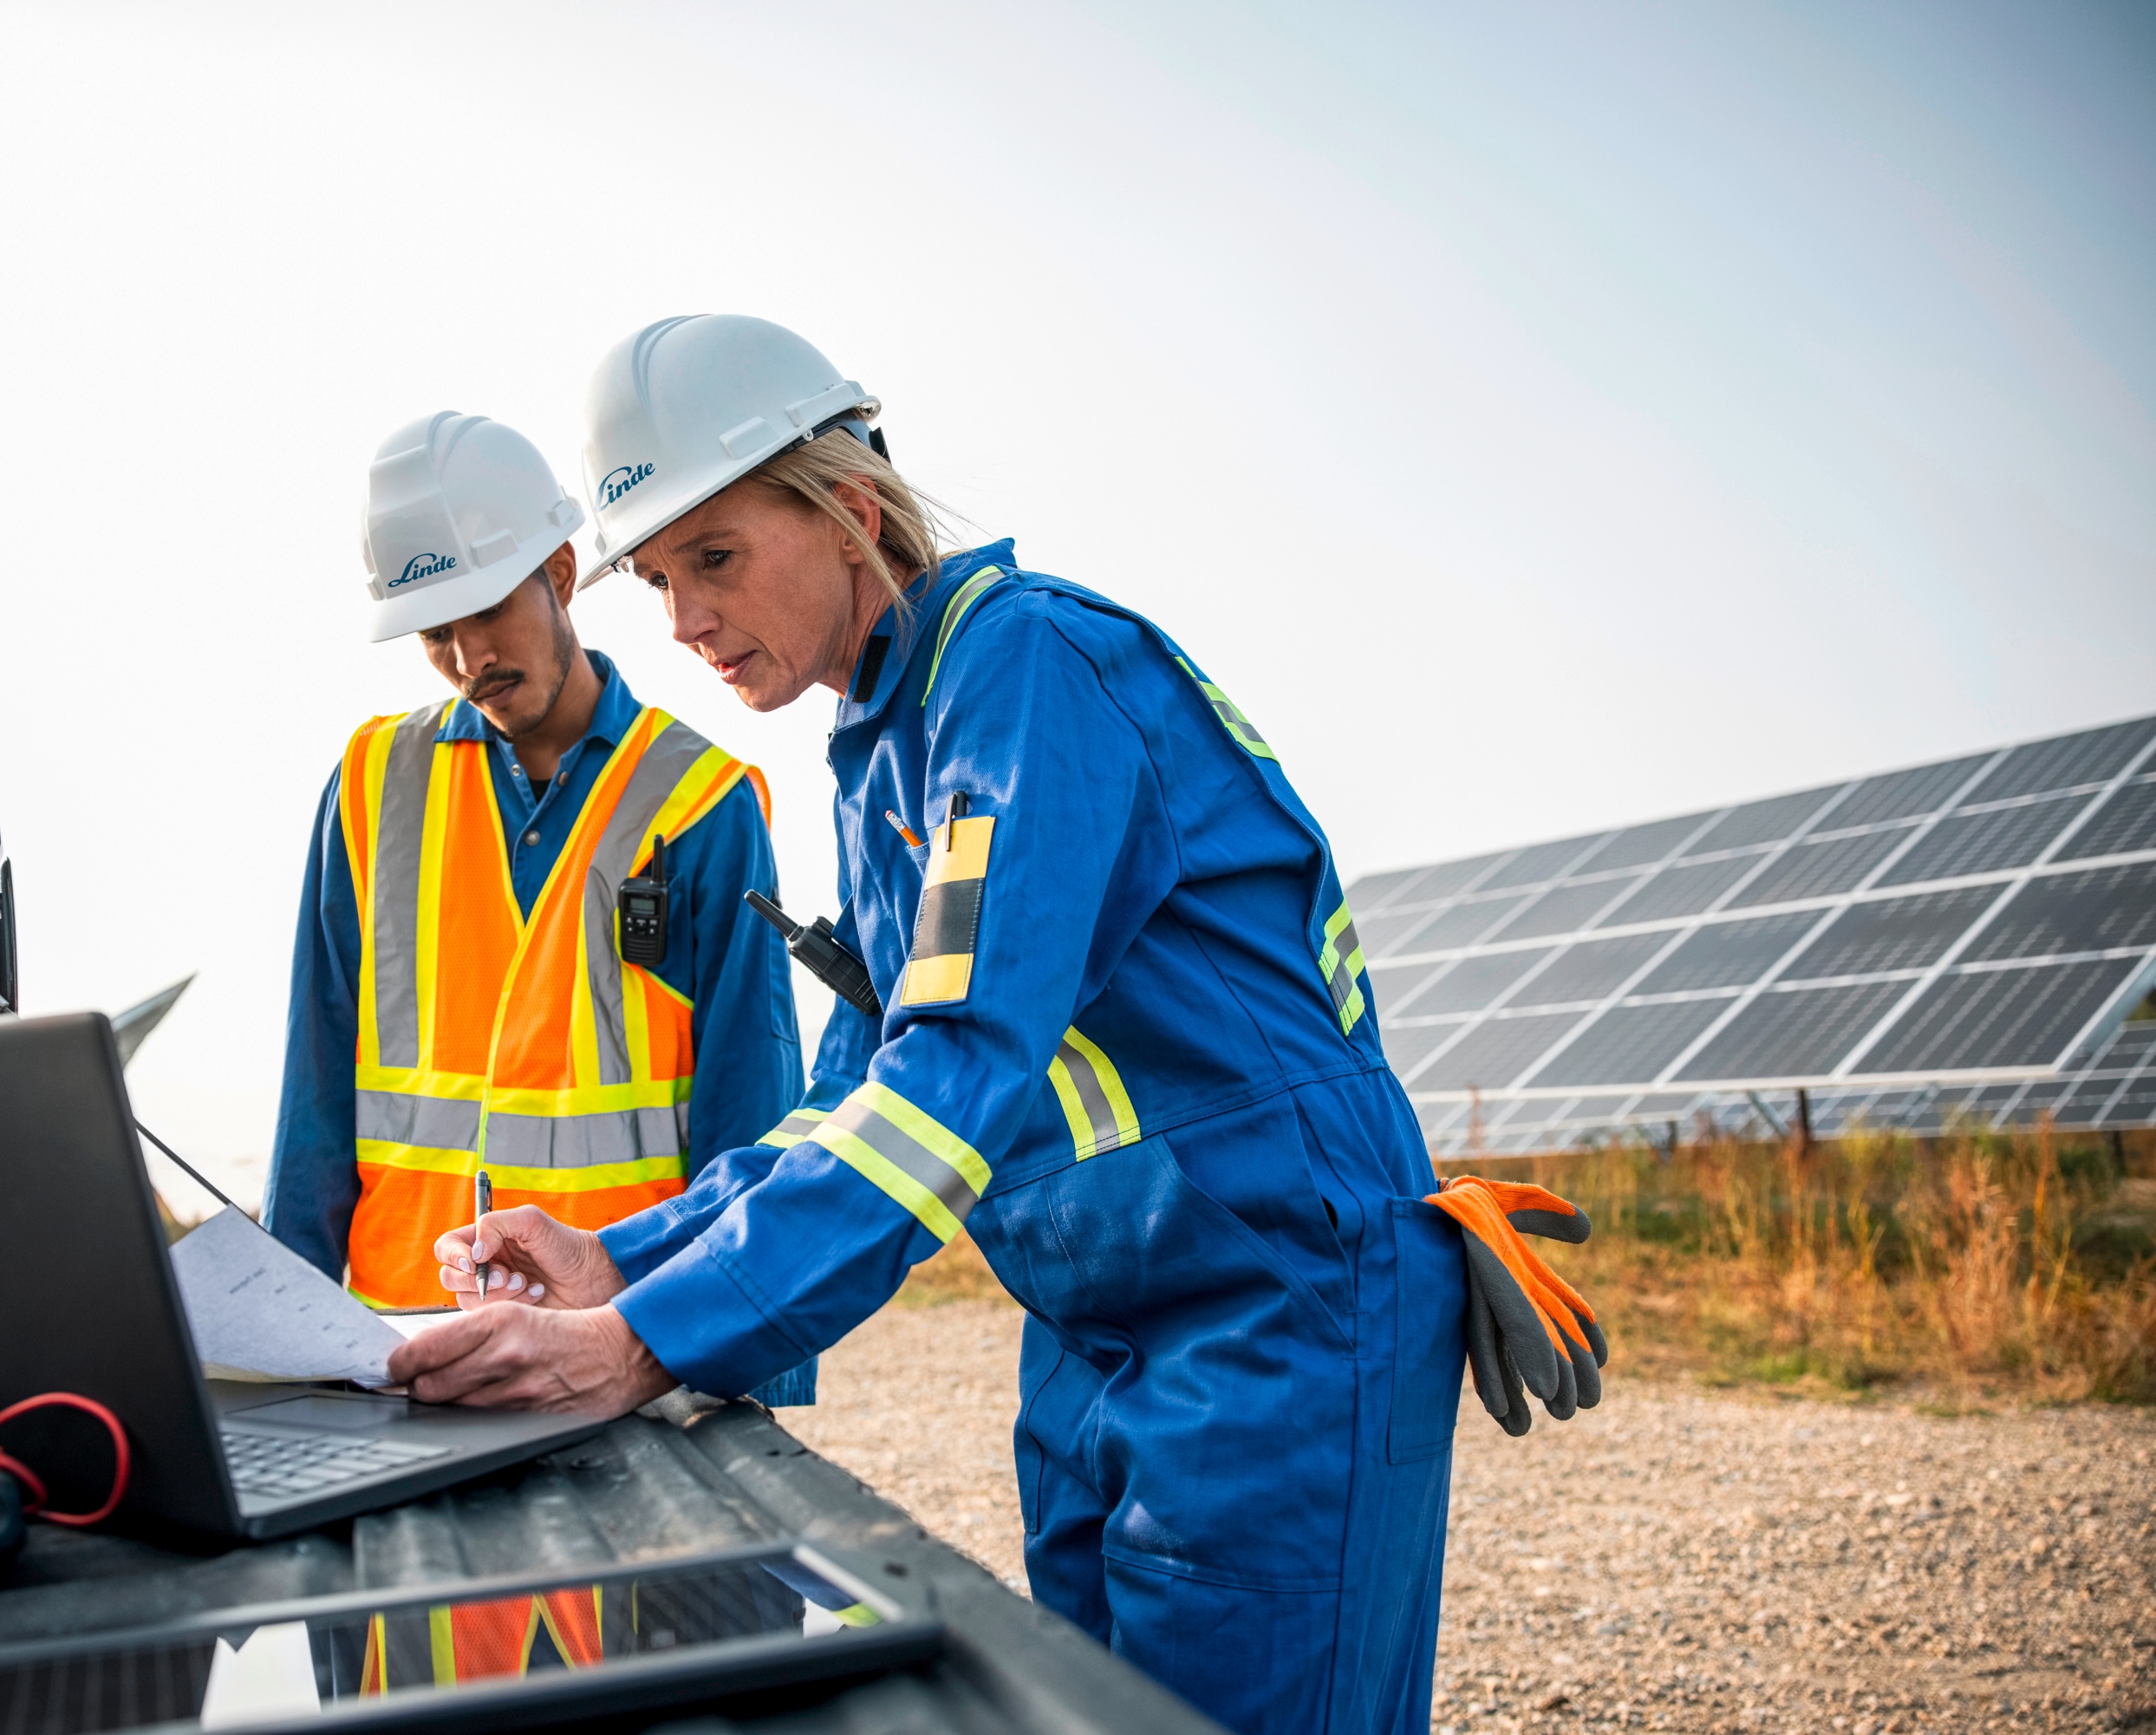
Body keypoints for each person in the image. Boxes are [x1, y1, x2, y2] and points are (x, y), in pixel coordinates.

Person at [386, 324, 1605, 1733]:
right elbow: (853, 1103)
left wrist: (650, 1340)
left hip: (1281, 1313)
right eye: (657, 580)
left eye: (712, 558)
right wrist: (617, 1255)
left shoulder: (1025, 676)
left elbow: (956, 1074)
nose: (681, 621)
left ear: (847, 507)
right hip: (1099, 1330)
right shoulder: (883, 756)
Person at [266, 408, 814, 1407]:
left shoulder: (700, 802)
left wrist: (744, 1385)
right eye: (437, 632)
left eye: (487, 611)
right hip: (406, 1342)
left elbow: (751, 1106)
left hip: (621, 1350)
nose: (470, 656)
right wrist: (280, 1343)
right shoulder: (370, 783)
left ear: (561, 573)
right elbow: (316, 1085)